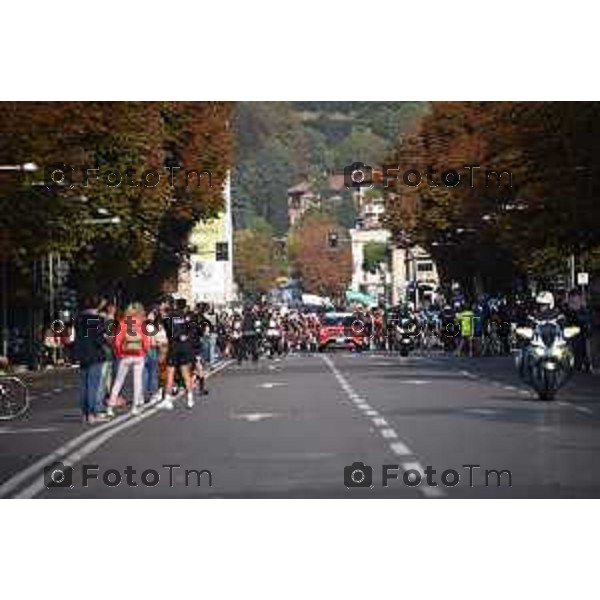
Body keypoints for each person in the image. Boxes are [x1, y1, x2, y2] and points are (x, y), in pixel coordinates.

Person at [106, 303, 151, 416]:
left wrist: (119, 353)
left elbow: (117, 341)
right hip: (139, 355)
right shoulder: (141, 324)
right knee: (137, 381)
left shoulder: (123, 323)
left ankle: (110, 407)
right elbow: (146, 341)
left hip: (125, 355)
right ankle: (135, 407)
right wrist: (144, 352)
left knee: (118, 381)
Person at [73, 297, 106, 424]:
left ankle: (84, 414)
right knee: (93, 384)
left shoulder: (78, 319)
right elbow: (99, 339)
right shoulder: (99, 320)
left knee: (83, 385)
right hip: (95, 354)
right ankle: (92, 414)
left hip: (82, 354)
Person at [159, 298, 196, 410]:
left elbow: (166, 328)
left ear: (175, 305)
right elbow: (193, 330)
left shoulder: (170, 316)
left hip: (173, 346)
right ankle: (190, 399)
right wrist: (186, 336)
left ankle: (168, 400)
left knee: (170, 373)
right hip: (184, 347)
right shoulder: (188, 317)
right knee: (186, 373)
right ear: (185, 306)